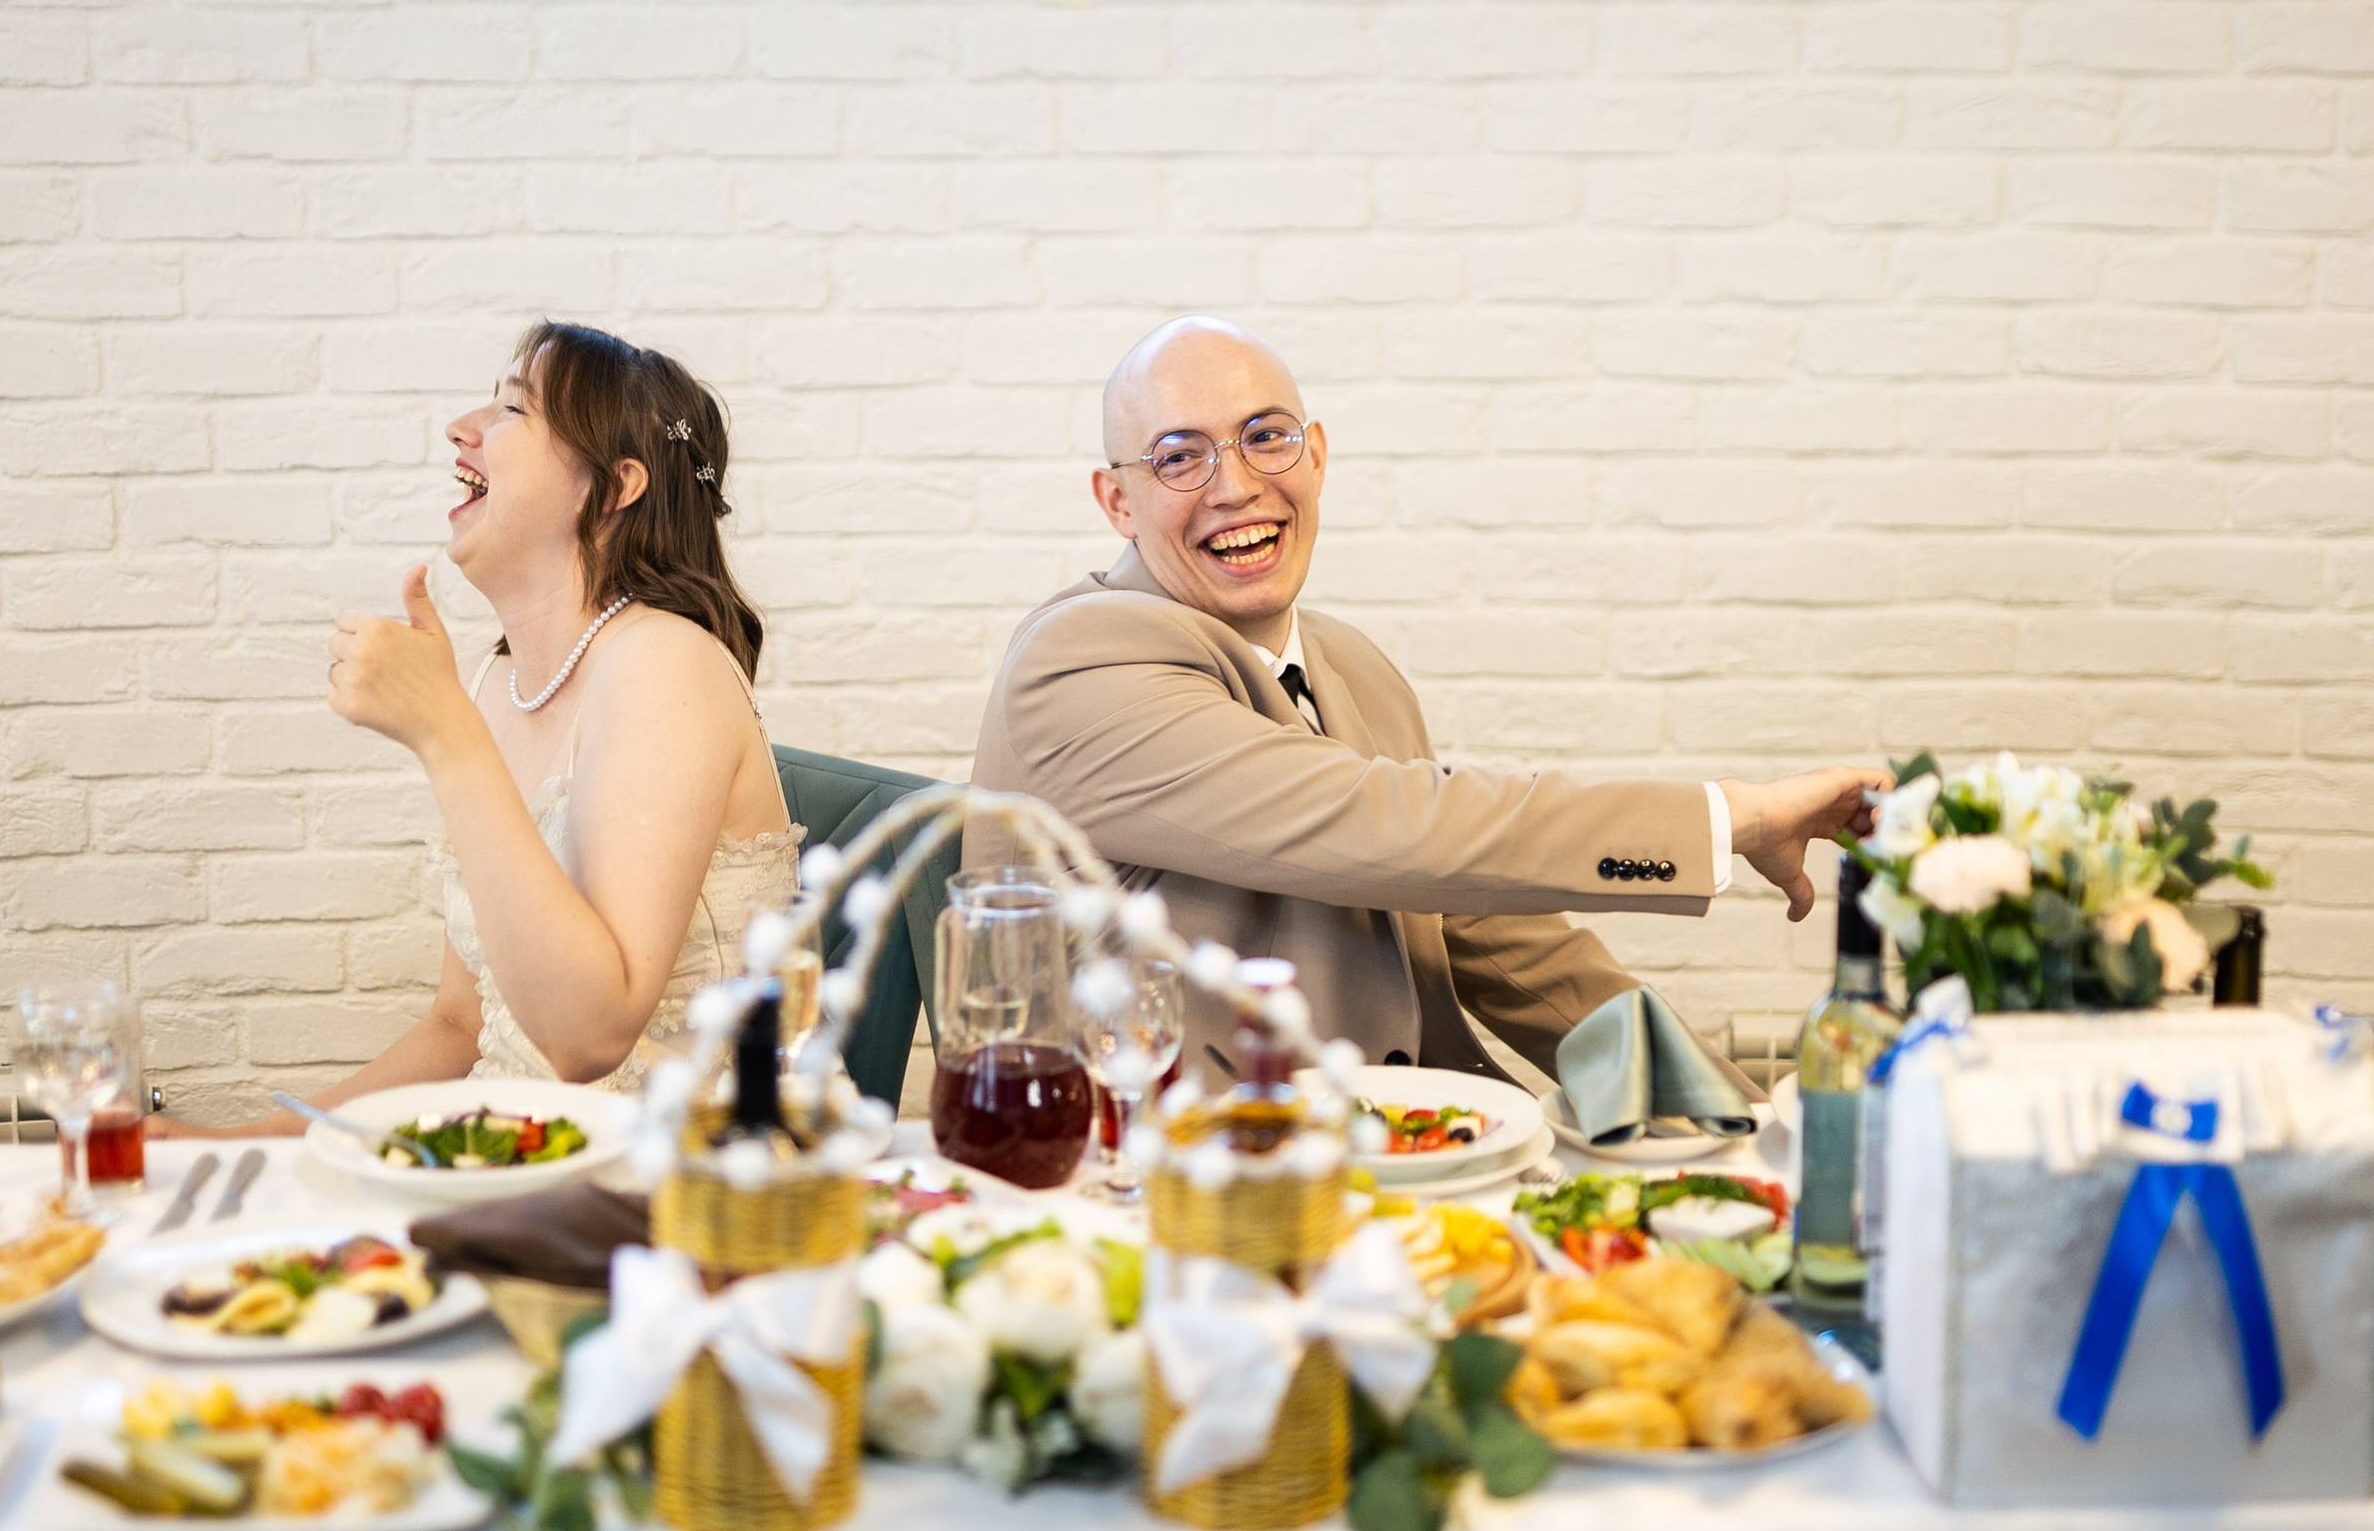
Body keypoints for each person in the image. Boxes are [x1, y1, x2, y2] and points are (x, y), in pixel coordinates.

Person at [968, 316, 1886, 1087]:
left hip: (1412, 1168)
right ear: (1117, 500)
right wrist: (1731, 818)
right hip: (1181, 1199)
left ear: (1316, 454)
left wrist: (1740, 1120)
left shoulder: (1352, 665)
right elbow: (1387, 826)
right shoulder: (1079, 659)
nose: (1237, 485)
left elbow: (1505, 942)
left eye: (1265, 436)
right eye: (1179, 458)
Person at [167, 321, 798, 1134]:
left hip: (683, 1180)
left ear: (612, 487)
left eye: (511, 409)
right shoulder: (502, 683)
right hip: (523, 1154)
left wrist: (443, 734)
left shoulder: (662, 660)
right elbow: (460, 1030)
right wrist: (237, 1146)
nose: (462, 428)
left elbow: (588, 1041)